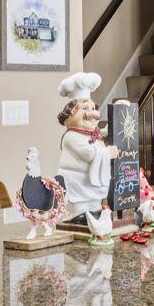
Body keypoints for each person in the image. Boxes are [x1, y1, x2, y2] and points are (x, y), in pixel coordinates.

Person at [54, 72, 115, 221]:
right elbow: (88, 153)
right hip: (76, 182)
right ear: (70, 114)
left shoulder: (92, 133)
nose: (91, 113)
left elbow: (102, 136)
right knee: (81, 202)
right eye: (84, 109)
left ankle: (94, 211)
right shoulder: (72, 136)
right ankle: (79, 215)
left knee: (93, 202)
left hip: (89, 182)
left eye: (93, 108)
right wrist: (108, 153)